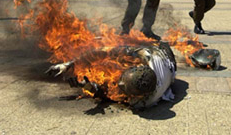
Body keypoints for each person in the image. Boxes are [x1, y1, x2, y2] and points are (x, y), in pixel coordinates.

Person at [45, 41, 176, 109]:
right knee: (122, 51)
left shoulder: (141, 102)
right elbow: (107, 50)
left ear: (137, 95)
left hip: (170, 69)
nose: (119, 83)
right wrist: (71, 64)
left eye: (123, 87)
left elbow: (109, 95)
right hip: (162, 52)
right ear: (139, 66)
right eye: (123, 78)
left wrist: (90, 87)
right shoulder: (150, 57)